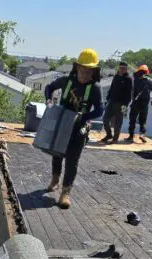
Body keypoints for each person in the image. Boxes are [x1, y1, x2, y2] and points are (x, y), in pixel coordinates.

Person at [44, 48, 105, 209]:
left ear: (94, 71)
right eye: (83, 69)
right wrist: (49, 101)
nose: (85, 73)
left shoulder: (95, 88)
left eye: (89, 70)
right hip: (62, 125)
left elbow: (100, 110)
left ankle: (65, 192)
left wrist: (84, 117)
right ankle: (55, 179)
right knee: (57, 155)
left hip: (78, 129)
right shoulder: (66, 81)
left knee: (72, 161)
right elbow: (48, 88)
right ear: (77, 67)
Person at [100, 62, 132, 144]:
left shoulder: (129, 79)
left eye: (123, 68)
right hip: (111, 101)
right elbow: (111, 88)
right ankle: (109, 134)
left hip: (122, 104)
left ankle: (115, 138)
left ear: (126, 69)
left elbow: (129, 94)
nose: (122, 70)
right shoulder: (116, 77)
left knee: (118, 122)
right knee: (105, 119)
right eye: (120, 68)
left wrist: (125, 106)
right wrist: (108, 98)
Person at [127, 65, 152, 143]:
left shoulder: (135, 80)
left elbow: (132, 90)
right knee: (143, 121)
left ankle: (131, 136)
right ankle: (142, 135)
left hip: (136, 102)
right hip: (145, 103)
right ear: (147, 72)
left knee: (132, 119)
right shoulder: (151, 81)